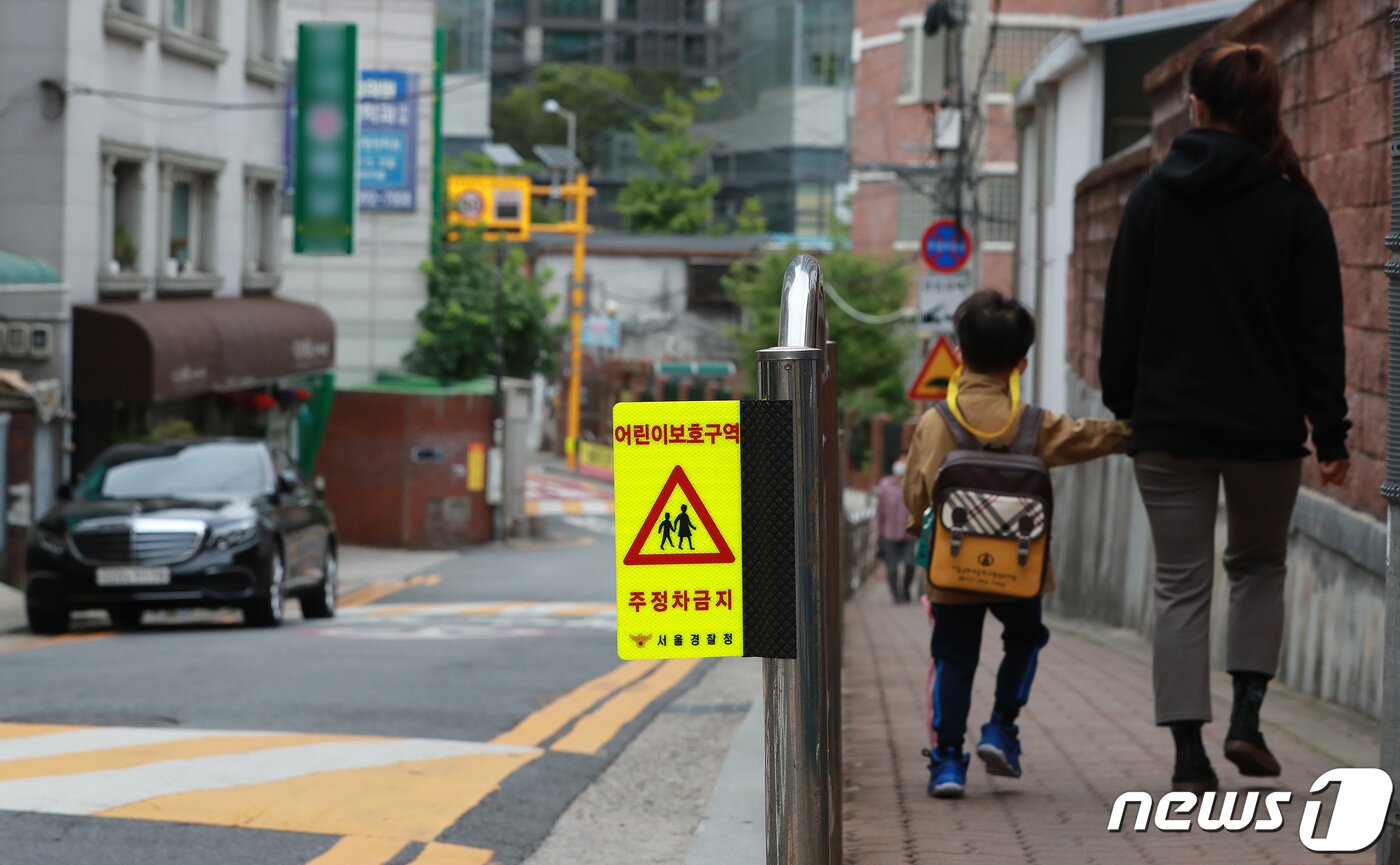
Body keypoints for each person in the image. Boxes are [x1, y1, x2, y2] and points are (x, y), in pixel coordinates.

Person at [1100, 43, 1350, 794]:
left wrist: (1125, 409)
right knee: (1258, 568)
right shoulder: (1295, 205)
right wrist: (1329, 435)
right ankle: (1246, 717)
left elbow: (1121, 320)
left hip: (1169, 430)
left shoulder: (1150, 199)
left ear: (1197, 107)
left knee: (1180, 585)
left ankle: (1187, 755)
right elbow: (1320, 335)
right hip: (1265, 433)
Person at [904, 290, 1130, 799]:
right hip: (1019, 572)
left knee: (954, 658)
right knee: (1025, 638)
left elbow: (917, 495)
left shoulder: (936, 423)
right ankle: (1002, 727)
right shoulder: (1033, 424)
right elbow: (1086, 436)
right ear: (1021, 362)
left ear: (959, 353)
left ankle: (946, 763)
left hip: (952, 567)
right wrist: (1133, 430)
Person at [873, 455, 917, 603]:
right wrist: (878, 531)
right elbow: (879, 511)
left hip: (908, 535)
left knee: (910, 565)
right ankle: (896, 595)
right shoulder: (885, 487)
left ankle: (905, 589)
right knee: (892, 569)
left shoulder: (912, 485)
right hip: (889, 534)